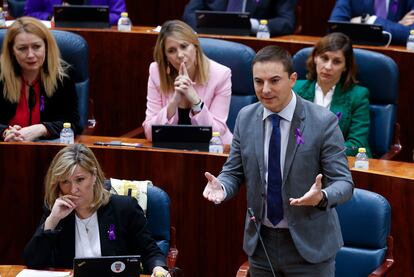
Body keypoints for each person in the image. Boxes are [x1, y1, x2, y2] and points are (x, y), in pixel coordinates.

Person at [203, 45, 353, 276]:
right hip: (261, 244)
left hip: (309, 247)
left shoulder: (323, 122)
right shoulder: (245, 117)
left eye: (274, 80)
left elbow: (344, 184)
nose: (265, 90)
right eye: (258, 81)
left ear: (292, 79)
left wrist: (321, 196)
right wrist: (222, 186)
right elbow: (234, 172)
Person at [23, 144, 169, 277]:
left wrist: (158, 269)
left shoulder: (124, 209)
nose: (73, 189)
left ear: (93, 176)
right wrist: (52, 220)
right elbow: (33, 263)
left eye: (80, 180)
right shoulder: (56, 212)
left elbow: (151, 252)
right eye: (65, 181)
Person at [143, 20, 233, 144]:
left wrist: (196, 101)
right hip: (170, 151)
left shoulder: (221, 75)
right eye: (171, 50)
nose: (179, 55)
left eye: (184, 46)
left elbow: (217, 132)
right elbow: (150, 133)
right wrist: (174, 102)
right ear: (165, 57)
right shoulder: (156, 72)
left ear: (195, 46)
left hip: (212, 152)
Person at [0, 17, 81, 142]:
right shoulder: (1, 76)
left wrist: (42, 129)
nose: (30, 55)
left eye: (36, 47)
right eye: (22, 48)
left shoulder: (63, 77)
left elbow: (72, 123)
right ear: (12, 51)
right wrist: (5, 131)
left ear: (46, 47)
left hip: (48, 152)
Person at [294, 32, 371, 157]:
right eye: (324, 58)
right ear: (315, 58)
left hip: (341, 164)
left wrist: (318, 152)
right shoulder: (295, 89)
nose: (328, 67)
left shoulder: (358, 96)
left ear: (345, 66)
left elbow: (356, 144)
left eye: (336, 62)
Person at [182, 0, 296, 37]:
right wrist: (212, 25)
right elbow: (189, 14)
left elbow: (286, 22)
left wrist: (249, 25)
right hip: (212, 40)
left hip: (254, 46)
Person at [329, 0, 414, 44]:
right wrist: (396, 27)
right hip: (357, 56)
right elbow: (335, 29)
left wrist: (369, 20)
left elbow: (412, 34)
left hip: (399, 59)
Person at [24, 0, 126, 26]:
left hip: (98, 37)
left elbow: (119, 15)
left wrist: (84, 16)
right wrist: (50, 16)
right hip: (56, 35)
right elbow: (29, 14)